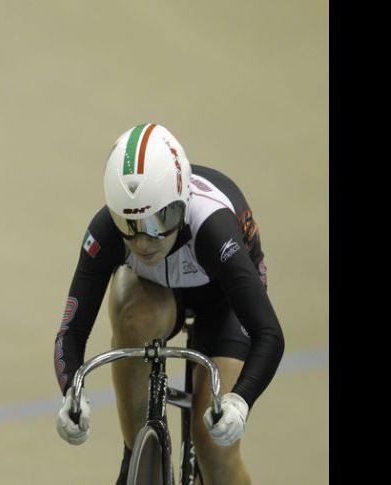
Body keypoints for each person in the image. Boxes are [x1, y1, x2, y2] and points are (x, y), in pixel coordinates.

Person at [53, 123, 284, 484]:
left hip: (223, 300)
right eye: (129, 224)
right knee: (134, 321)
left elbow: (269, 333)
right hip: (157, 291)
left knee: (214, 448)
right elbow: (71, 330)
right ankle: (135, 457)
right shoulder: (106, 230)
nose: (144, 241)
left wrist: (240, 402)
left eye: (161, 219)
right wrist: (71, 391)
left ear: (182, 204)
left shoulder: (214, 227)